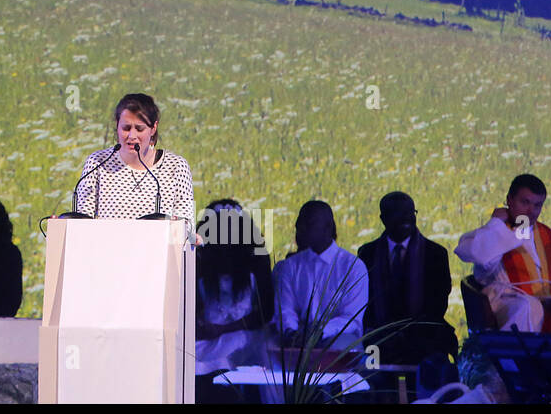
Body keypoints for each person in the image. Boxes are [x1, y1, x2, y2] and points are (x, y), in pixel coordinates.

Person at [455, 173, 551, 334]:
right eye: (525, 202)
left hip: (548, 302)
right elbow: (479, 255)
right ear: (509, 200)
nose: (531, 211)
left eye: (537, 205)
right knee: (528, 307)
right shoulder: (496, 231)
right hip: (508, 301)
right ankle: (516, 359)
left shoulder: (550, 237)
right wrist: (496, 223)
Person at [357, 192, 457, 371]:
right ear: (383, 218)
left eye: (410, 213)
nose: (406, 219)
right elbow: (365, 304)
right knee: (367, 366)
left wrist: (408, 334)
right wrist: (386, 334)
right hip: (380, 337)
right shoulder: (367, 254)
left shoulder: (436, 253)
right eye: (398, 213)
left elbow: (438, 305)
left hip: (423, 336)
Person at [74, 92, 196, 233]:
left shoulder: (176, 166)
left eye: (139, 129)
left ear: (153, 128)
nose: (132, 136)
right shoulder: (97, 163)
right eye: (126, 128)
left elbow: (187, 226)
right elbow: (81, 223)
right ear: (117, 125)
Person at [272, 200, 367, 350]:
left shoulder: (353, 266)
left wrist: (320, 332)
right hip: (298, 335)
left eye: (308, 224)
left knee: (339, 348)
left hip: (337, 335)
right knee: (266, 348)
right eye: (299, 224)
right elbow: (285, 309)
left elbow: (351, 319)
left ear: (328, 228)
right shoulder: (290, 266)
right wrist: (291, 332)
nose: (301, 229)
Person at [194, 200, 273, 381]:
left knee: (228, 351)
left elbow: (265, 312)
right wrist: (201, 324)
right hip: (208, 335)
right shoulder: (199, 258)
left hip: (243, 334)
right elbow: (192, 304)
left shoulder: (257, 259)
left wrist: (226, 328)